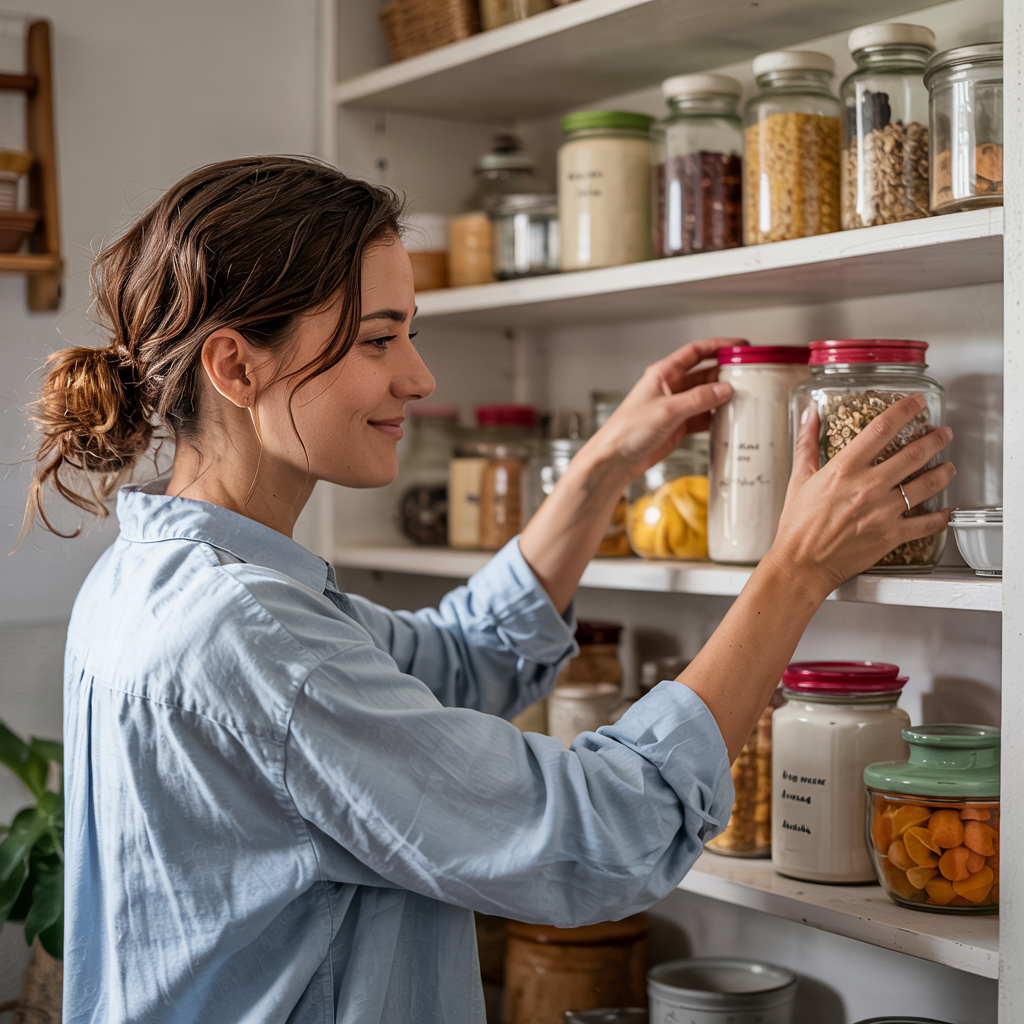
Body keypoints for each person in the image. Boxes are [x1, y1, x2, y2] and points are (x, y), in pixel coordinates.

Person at [25, 156, 954, 1024]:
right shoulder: (254, 636)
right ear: (236, 367)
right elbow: (603, 832)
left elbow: (456, 664)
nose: (418, 377)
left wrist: (598, 470)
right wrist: (794, 572)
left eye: (410, 334)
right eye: (379, 340)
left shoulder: (156, 577)